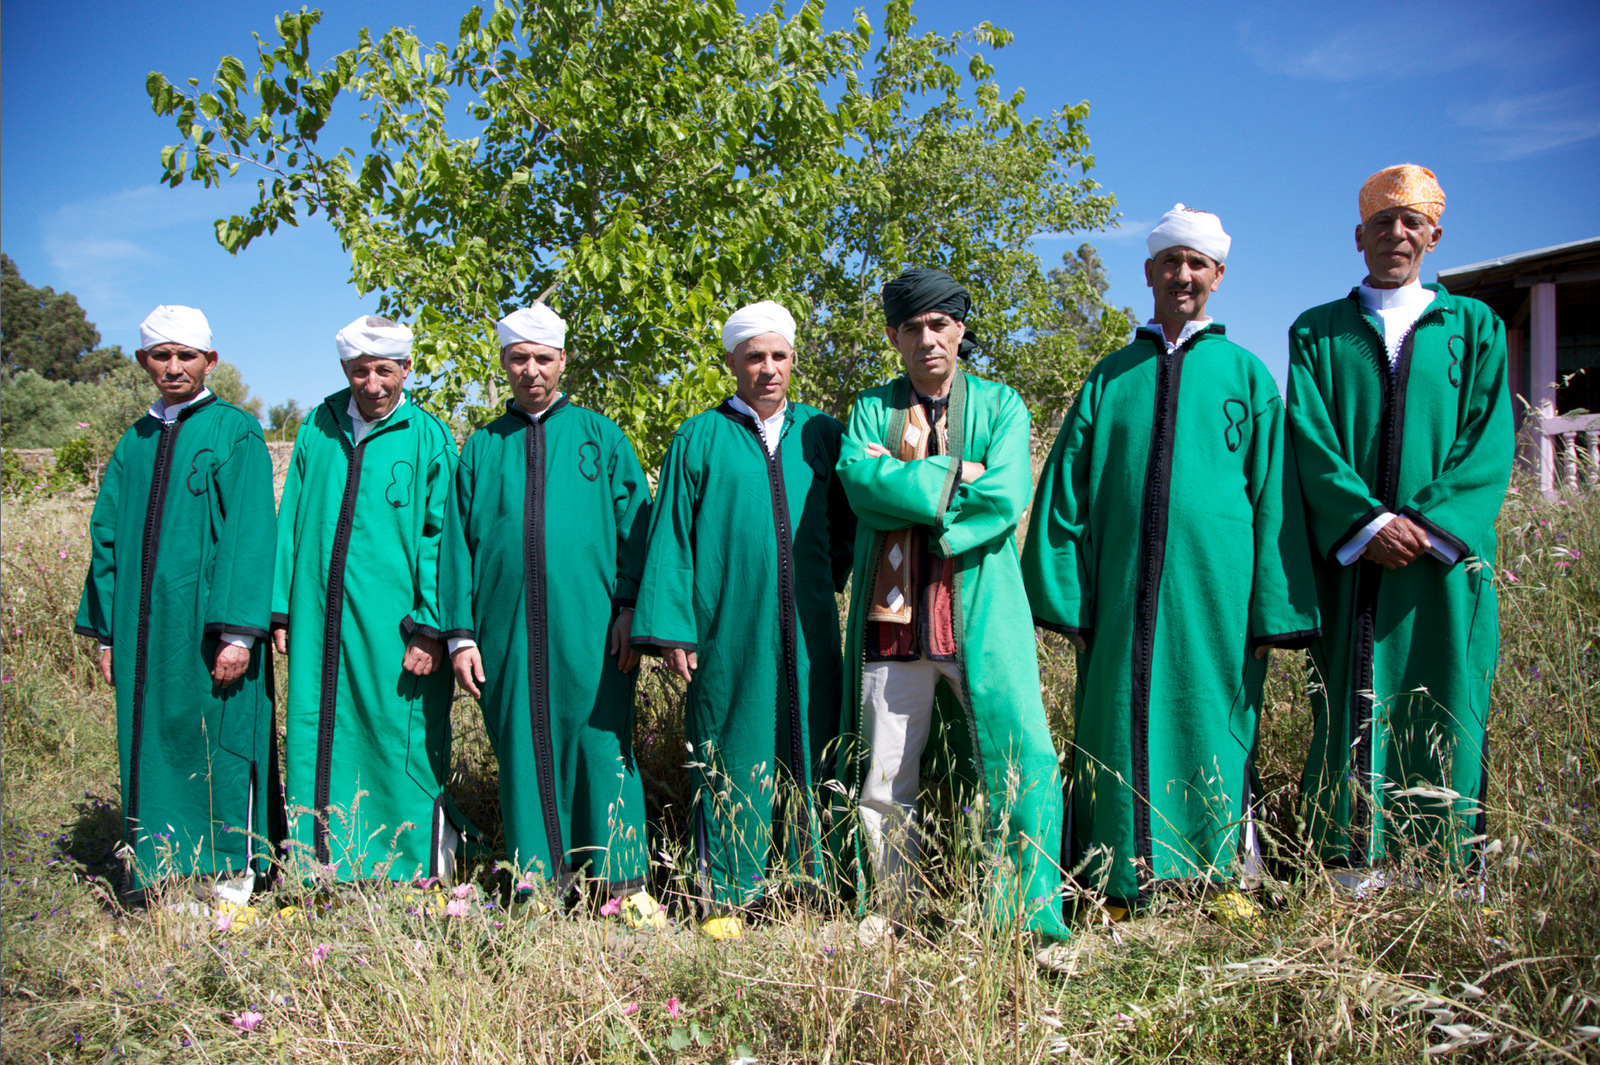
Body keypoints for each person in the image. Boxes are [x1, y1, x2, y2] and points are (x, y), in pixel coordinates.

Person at [1021, 207, 1319, 914]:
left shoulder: (1247, 378)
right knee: (1116, 725)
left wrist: (1270, 611)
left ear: (1217, 275)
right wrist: (1069, 599)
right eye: (1170, 262)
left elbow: (1275, 496)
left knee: (1210, 722)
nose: (1183, 275)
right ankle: (1115, 878)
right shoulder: (1110, 377)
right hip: (1121, 596)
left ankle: (1219, 879)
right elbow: (1063, 491)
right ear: (1149, 271)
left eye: (1197, 264)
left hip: (1216, 598)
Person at [1286, 165, 1513, 885]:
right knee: (1350, 708)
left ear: (1434, 235)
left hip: (1443, 568)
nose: (1396, 234)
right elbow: (1309, 436)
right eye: (1382, 222)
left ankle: (1442, 872)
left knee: (1446, 699)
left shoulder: (1475, 326)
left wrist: (1423, 523)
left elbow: (1489, 440)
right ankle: (1352, 871)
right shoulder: (1318, 330)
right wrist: (1367, 521)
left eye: (1411, 222)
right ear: (1359, 236)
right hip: (1356, 564)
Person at [836, 268, 1071, 941]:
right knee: (884, 774)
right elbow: (859, 480)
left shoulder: (1001, 404)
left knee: (1020, 755)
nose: (927, 338)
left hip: (979, 613)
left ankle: (1028, 915)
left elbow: (1004, 495)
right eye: (912, 327)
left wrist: (908, 482)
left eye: (939, 324)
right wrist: (954, 472)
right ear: (893, 336)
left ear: (960, 330)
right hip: (893, 619)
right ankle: (887, 905)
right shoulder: (869, 410)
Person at [631, 300, 855, 939]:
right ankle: (728, 896)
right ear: (731, 362)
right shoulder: (699, 437)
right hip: (726, 627)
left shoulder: (820, 434)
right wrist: (675, 628)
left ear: (793, 359)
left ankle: (810, 883)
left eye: (779, 356)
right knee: (734, 746)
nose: (768, 369)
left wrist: (817, 585)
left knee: (813, 743)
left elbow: (845, 530)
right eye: (753, 357)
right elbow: (671, 536)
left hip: (809, 627)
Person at [443, 304, 663, 923]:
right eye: (519, 358)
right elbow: (456, 547)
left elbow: (635, 531)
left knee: (602, 745)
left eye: (543, 358)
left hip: (592, 628)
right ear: (505, 364)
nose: (531, 370)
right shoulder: (483, 447)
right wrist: (461, 635)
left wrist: (627, 607)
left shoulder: (600, 437)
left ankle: (624, 886)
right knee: (520, 746)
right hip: (505, 632)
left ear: (563, 360)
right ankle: (535, 884)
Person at [75, 305, 278, 904]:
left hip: (210, 630)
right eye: (160, 355)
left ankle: (229, 884)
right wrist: (111, 635)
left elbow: (248, 534)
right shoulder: (133, 443)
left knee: (216, 741)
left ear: (209, 361)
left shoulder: (233, 430)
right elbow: (106, 536)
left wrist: (240, 634)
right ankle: (163, 879)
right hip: (143, 630)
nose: (173, 366)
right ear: (144, 362)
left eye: (185, 355)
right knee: (152, 742)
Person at [271, 315, 468, 884]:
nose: (374, 383)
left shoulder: (426, 435)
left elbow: (444, 538)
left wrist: (434, 627)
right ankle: (317, 866)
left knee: (397, 735)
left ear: (406, 369)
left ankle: (412, 870)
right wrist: (283, 608)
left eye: (386, 370)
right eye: (361, 371)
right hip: (317, 621)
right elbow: (293, 521)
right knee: (317, 728)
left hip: (398, 629)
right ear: (345, 371)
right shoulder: (318, 426)